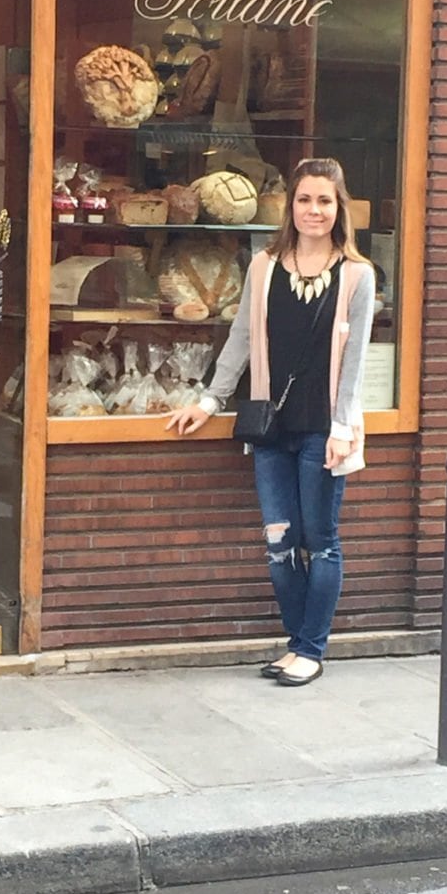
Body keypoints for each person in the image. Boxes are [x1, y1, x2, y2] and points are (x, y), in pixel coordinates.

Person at [166, 157, 376, 687]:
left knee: (320, 540)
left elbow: (355, 365)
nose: (314, 210)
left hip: (323, 429)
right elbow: (239, 339)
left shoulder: (357, 276)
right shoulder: (263, 268)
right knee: (280, 540)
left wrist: (344, 429)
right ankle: (295, 642)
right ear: (291, 207)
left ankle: (311, 648)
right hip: (270, 429)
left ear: (338, 208)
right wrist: (210, 400)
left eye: (324, 201)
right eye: (305, 199)